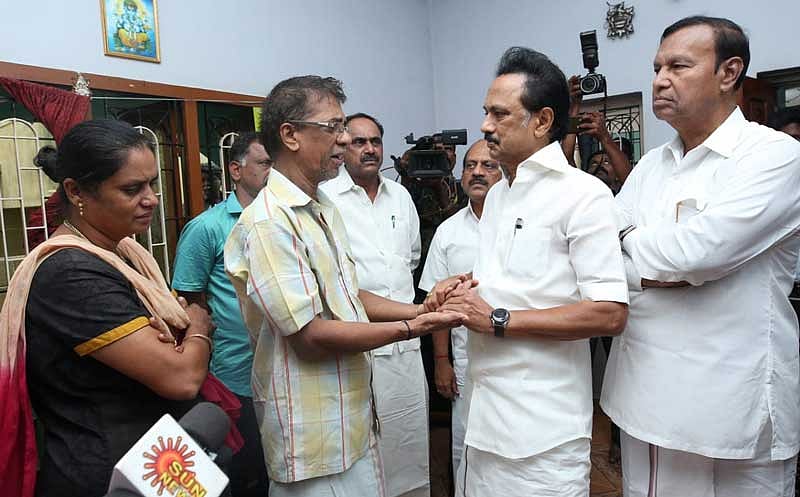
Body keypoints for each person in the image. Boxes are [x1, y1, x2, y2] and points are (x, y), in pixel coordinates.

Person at [224, 75, 464, 497]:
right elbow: (311, 336)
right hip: (312, 436)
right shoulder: (268, 223)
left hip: (351, 421)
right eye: (333, 127)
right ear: (290, 135)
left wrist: (421, 310)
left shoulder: (321, 208)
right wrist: (414, 330)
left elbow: (351, 298)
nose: (343, 139)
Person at [601, 16, 800, 497]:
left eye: (678, 66)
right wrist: (660, 261)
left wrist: (638, 242)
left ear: (729, 73)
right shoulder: (649, 166)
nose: (659, 80)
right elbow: (602, 258)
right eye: (656, 67)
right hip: (654, 395)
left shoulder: (773, 156)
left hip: (744, 392)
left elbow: (697, 255)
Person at [428, 47, 628, 496]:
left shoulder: (585, 195)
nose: (484, 126)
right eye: (485, 112)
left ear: (541, 121)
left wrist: (499, 319)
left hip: (543, 436)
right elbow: (510, 283)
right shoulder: (499, 195)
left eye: (500, 114)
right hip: (484, 421)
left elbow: (610, 313)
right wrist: (461, 288)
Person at [0, 119, 221, 497]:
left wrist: (179, 344)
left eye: (151, 183)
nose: (151, 198)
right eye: (132, 189)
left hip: (161, 461)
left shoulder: (121, 252)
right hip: (110, 474)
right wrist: (198, 322)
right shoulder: (70, 273)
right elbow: (181, 376)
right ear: (75, 191)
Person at [320, 113, 429, 497]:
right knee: (367, 441)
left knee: (410, 435)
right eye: (358, 142)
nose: (369, 149)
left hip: (407, 343)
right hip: (358, 342)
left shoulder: (400, 196)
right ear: (342, 146)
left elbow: (410, 260)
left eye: (375, 142)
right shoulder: (325, 200)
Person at [172, 132, 271, 497]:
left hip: (282, 372)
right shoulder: (208, 228)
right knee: (245, 474)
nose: (272, 172)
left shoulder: (284, 223)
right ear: (236, 169)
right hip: (234, 378)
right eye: (264, 163)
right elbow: (187, 302)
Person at [418, 138, 503, 478]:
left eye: (488, 165)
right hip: (467, 361)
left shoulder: (522, 224)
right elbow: (438, 307)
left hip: (516, 355)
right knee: (465, 450)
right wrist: (442, 361)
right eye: (470, 166)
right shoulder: (448, 231)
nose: (477, 173)